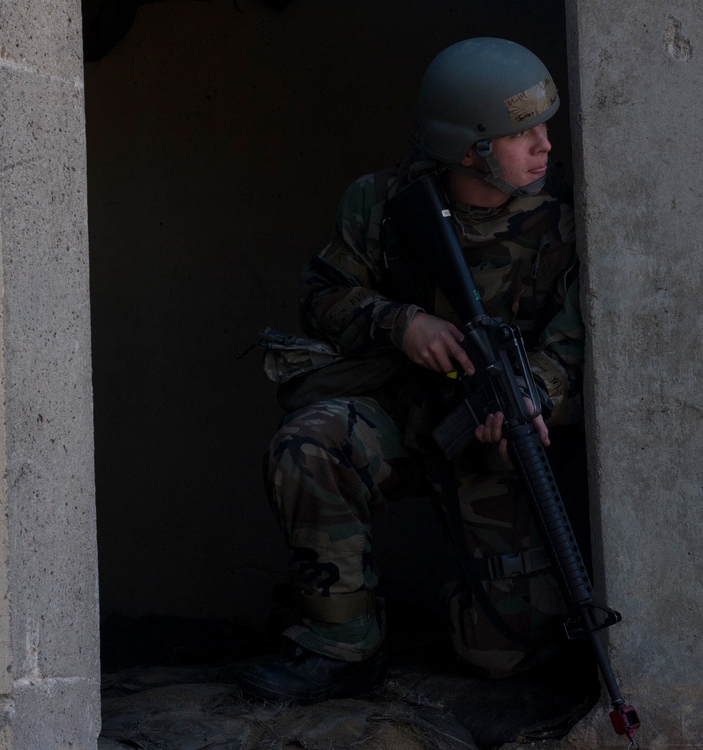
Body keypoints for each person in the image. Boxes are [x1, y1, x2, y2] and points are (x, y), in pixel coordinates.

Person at [240, 37, 584, 705]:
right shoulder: (383, 204)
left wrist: (531, 392)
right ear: (469, 150)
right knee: (311, 445)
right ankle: (342, 644)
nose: (544, 145)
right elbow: (323, 295)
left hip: (495, 442)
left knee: (499, 653)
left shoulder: (567, 222)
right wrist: (401, 324)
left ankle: (453, 607)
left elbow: (575, 343)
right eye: (521, 135)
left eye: (543, 127)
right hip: (397, 412)